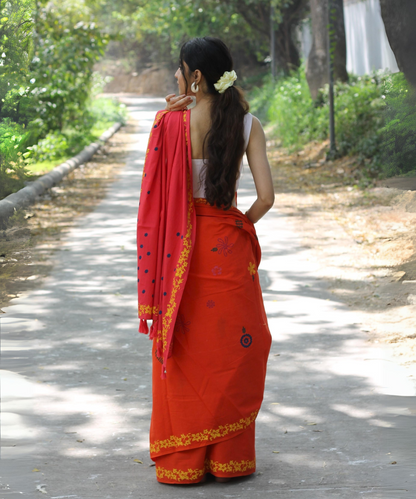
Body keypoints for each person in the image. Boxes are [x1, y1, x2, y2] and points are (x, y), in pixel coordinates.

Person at [136, 37, 274, 485]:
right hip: (228, 248)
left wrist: (171, 113)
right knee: (232, 349)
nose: (175, 77)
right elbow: (266, 198)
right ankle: (229, 457)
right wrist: (241, 224)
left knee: (184, 353)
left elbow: (153, 204)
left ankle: (187, 462)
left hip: (182, 252)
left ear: (196, 76)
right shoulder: (248, 123)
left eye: (180, 70)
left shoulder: (170, 124)